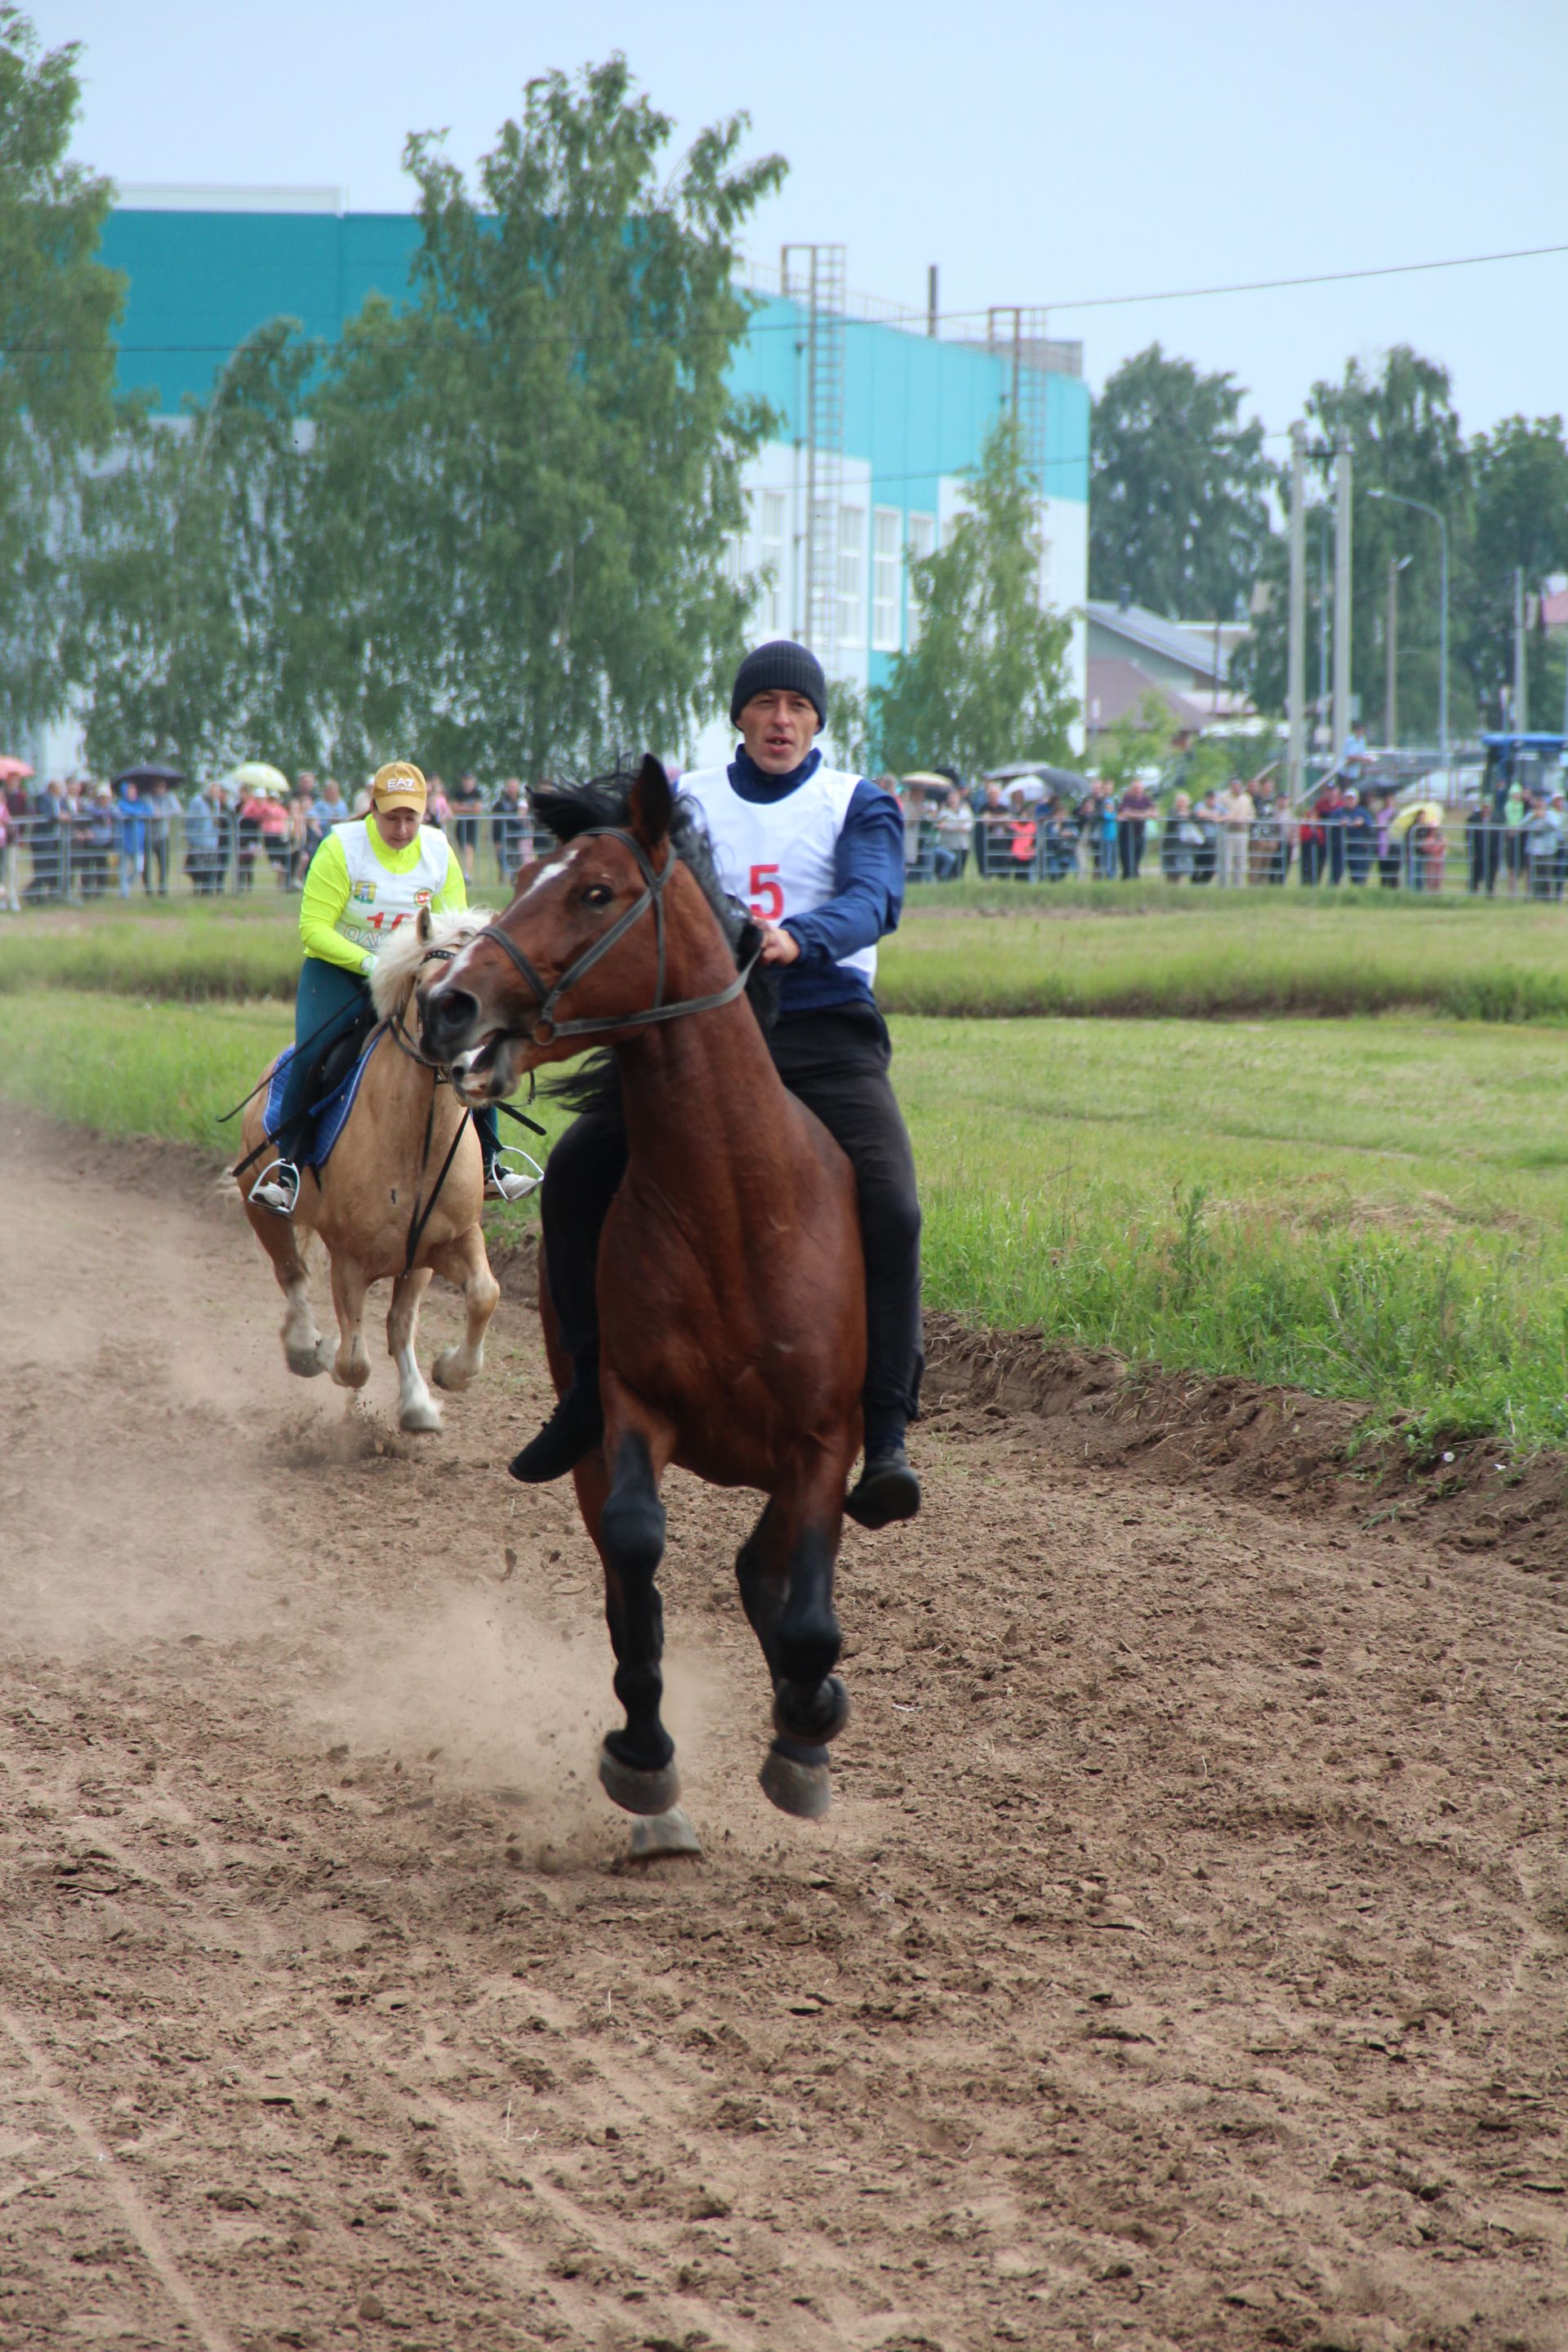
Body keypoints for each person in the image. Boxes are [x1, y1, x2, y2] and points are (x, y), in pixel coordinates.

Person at [511, 639, 923, 1531]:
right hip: (698, 1044)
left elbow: (876, 900)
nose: (782, 721)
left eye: (799, 708)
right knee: (578, 1171)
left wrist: (796, 937)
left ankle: (886, 1432)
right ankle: (587, 1392)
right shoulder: (686, 801)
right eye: (766, 705)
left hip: (821, 1032)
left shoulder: (857, 802)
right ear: (739, 715)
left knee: (893, 1202)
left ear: (818, 722)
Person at [248, 761, 534, 1217]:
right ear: (372, 809)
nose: (401, 829)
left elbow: (456, 928)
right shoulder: (341, 848)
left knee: (467, 1044)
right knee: (315, 1052)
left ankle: (492, 1161)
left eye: (411, 818)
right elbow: (313, 929)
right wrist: (375, 964)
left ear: (425, 815)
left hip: (420, 975)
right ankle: (288, 1170)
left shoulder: (438, 851)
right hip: (341, 970)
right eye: (391, 817)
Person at [1216, 776, 1254, 887]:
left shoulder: (1246, 798)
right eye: (1234, 785)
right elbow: (1218, 813)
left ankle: (1238, 886)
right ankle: (1224, 885)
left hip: (1242, 833)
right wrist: (1229, 819)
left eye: (1238, 785)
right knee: (1226, 860)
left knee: (1240, 860)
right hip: (1227, 832)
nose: (1236, 787)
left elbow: (1251, 815)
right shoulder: (1223, 797)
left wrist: (1244, 820)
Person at [933, 786, 973, 881]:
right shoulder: (944, 813)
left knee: (960, 870)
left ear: (959, 798)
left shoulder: (966, 811)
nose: (952, 800)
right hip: (949, 846)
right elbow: (943, 825)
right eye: (950, 797)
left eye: (955, 797)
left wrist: (965, 827)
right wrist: (954, 827)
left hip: (963, 845)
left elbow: (970, 823)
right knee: (950, 870)